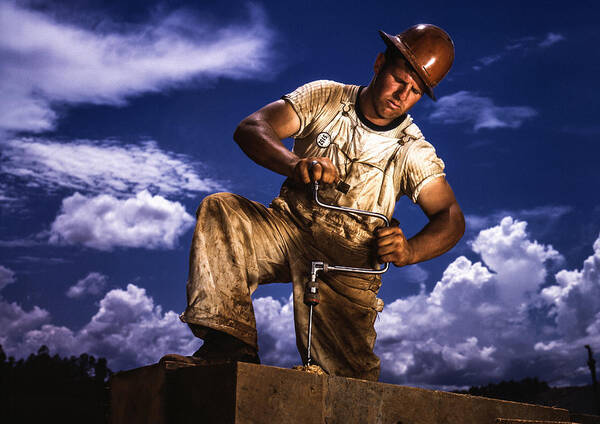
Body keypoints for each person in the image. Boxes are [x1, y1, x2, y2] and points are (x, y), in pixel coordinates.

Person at [161, 24, 465, 381]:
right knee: (221, 209)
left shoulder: (412, 150)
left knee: (348, 388)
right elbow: (252, 128)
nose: (402, 95)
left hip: (348, 264)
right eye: (399, 79)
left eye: (415, 91)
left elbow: (450, 217)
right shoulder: (326, 98)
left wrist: (410, 251)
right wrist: (295, 164)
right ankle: (228, 346)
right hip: (288, 228)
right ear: (379, 62)